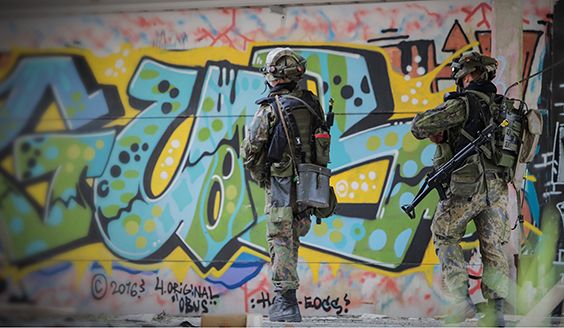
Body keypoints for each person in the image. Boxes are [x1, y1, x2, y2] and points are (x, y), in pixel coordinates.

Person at [410, 52, 511, 327]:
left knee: (444, 233)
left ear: (466, 75)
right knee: (494, 247)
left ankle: (460, 300)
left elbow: (418, 127)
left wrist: (438, 128)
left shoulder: (463, 103)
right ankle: (497, 313)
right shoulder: (505, 107)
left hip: (468, 186)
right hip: (499, 187)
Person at [240, 47, 328, 322]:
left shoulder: (270, 108)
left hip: (281, 186)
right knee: (292, 239)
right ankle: (287, 300)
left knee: (280, 240)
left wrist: (260, 173)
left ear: (275, 77)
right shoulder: (313, 104)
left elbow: (249, 150)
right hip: (310, 184)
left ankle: (285, 302)